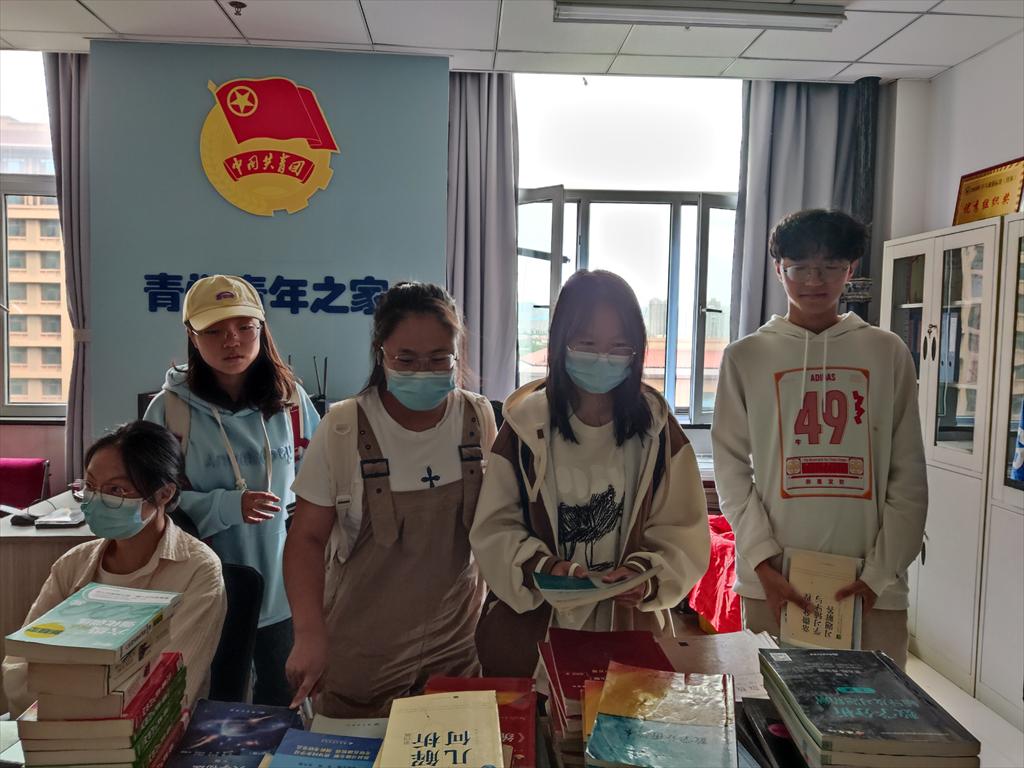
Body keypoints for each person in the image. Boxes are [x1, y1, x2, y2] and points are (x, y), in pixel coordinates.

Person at [711, 208, 927, 669]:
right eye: (800, 267)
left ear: (851, 269)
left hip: (872, 590)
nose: (815, 280)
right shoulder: (746, 356)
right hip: (774, 585)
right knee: (770, 708)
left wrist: (879, 574)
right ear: (779, 269)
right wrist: (764, 563)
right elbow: (730, 468)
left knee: (873, 710)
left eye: (830, 265)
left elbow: (908, 474)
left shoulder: (886, 352)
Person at [470, 269, 711, 678]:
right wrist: (545, 568)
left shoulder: (657, 429)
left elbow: (683, 529)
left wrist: (644, 574)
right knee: (543, 713)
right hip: (535, 634)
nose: (603, 358)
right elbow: (494, 528)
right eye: (587, 344)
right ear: (560, 343)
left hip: (629, 628)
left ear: (637, 351)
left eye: (618, 346)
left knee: (624, 712)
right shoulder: (525, 426)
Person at [284, 282, 497, 717]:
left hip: (456, 646)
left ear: (457, 355)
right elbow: (305, 538)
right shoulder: (344, 427)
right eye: (407, 359)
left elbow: (497, 525)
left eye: (438, 359)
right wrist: (308, 633)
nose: (423, 372)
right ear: (381, 354)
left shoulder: (477, 418)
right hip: (363, 653)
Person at [144, 274, 320, 706]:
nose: (232, 340)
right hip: (203, 591)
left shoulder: (291, 402)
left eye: (245, 326)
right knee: (210, 709)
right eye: (215, 330)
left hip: (283, 591)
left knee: (282, 705)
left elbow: (320, 484)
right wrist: (225, 506)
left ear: (262, 329)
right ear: (192, 335)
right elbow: (149, 502)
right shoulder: (169, 409)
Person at [2, 421, 226, 715]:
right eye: (90, 486)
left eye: (116, 489)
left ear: (164, 494)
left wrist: (65, 694)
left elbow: (166, 687)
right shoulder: (73, 564)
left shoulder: (197, 570)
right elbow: (19, 665)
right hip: (48, 724)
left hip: (143, 733)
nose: (97, 499)